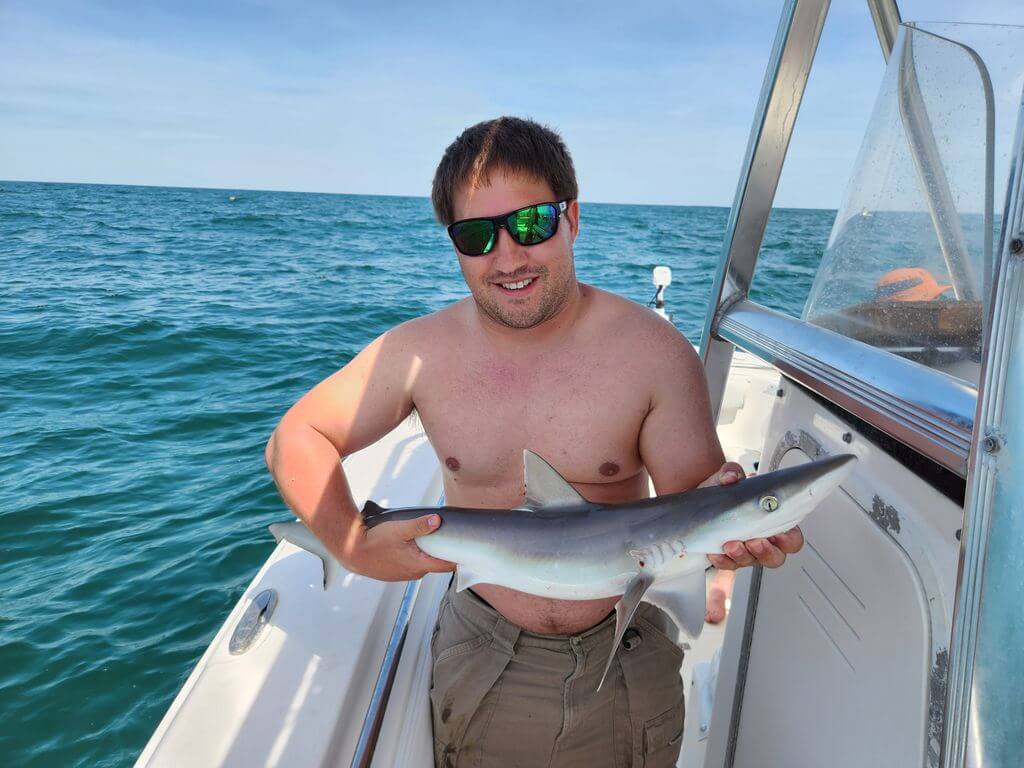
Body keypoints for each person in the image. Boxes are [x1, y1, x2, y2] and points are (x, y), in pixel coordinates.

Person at [265, 117, 803, 767]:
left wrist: (742, 533)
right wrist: (352, 544)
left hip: (623, 645)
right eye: (475, 236)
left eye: (530, 225)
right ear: (454, 246)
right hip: (486, 645)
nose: (508, 257)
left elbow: (696, 504)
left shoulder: (652, 354)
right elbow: (298, 435)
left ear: (572, 218)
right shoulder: (417, 355)